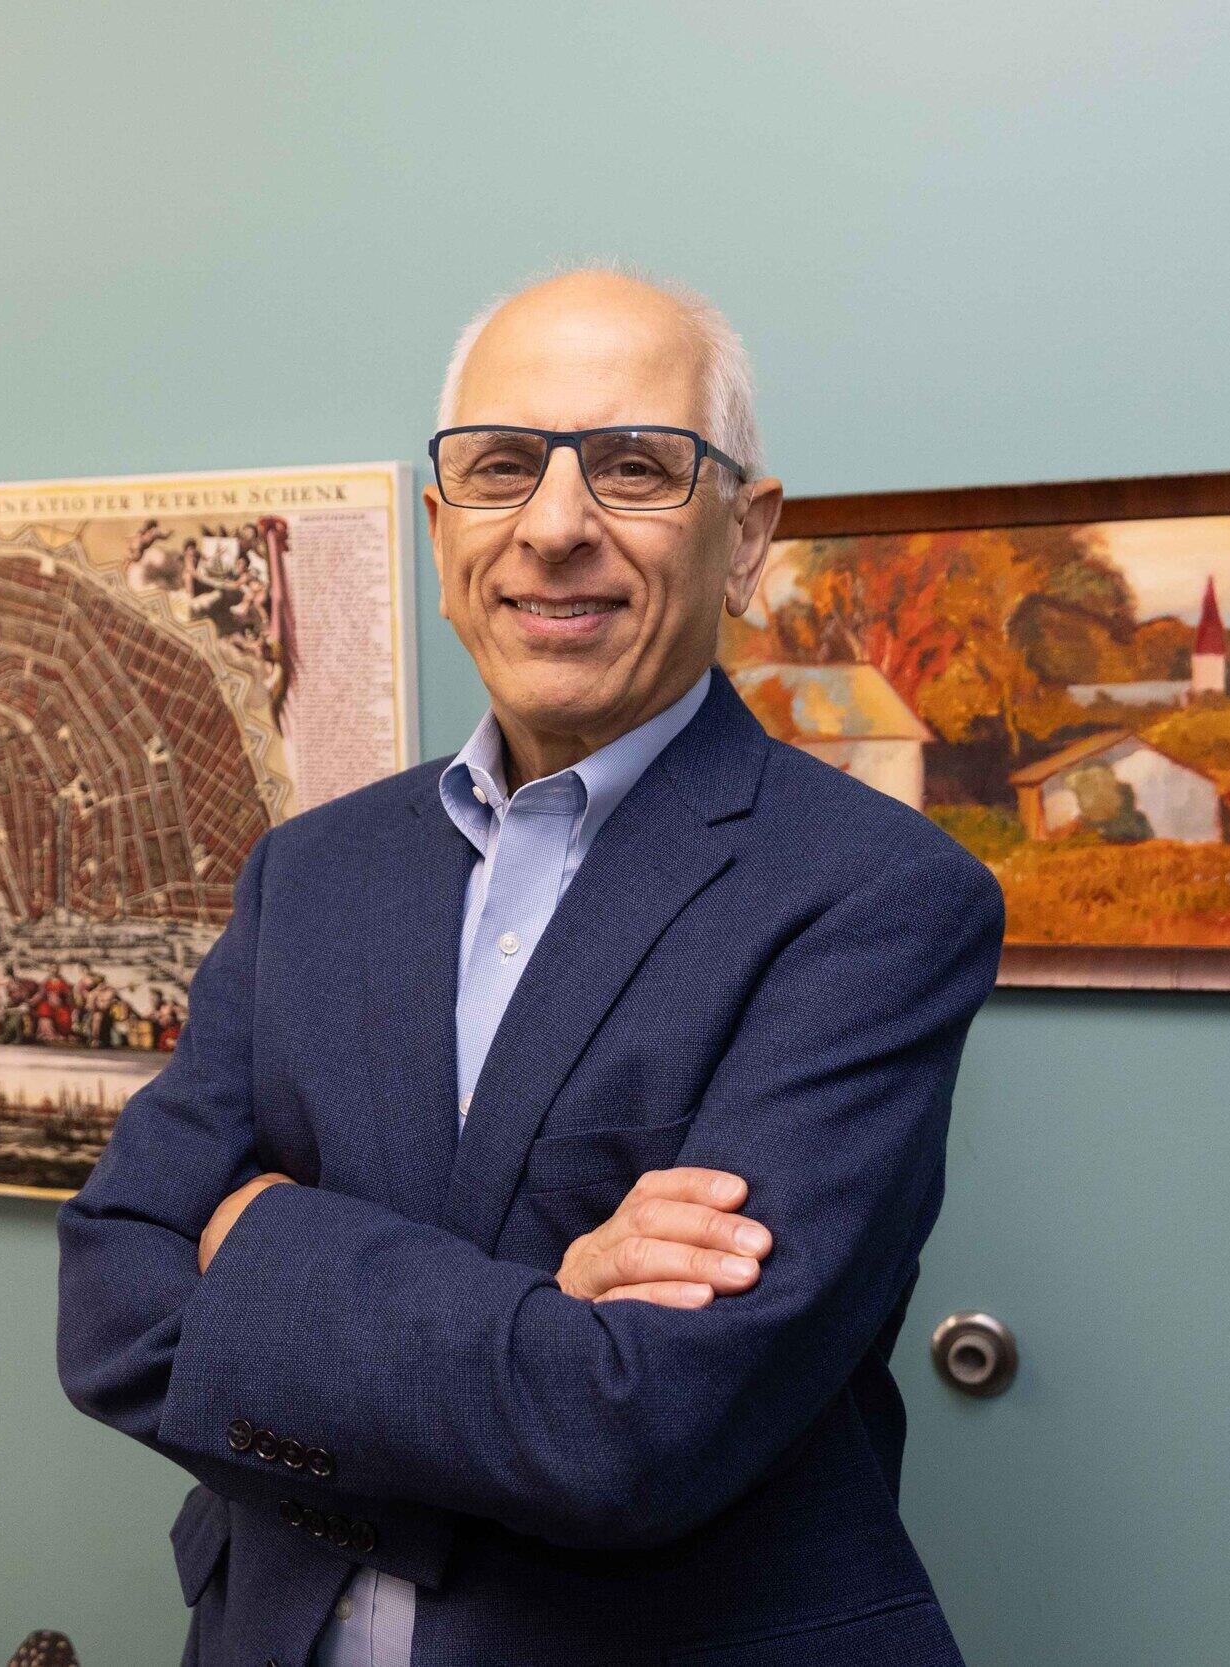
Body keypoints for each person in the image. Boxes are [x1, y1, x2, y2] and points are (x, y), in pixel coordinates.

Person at [56, 269, 1004, 1666]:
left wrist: (256, 1240)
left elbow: (634, 1426)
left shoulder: (878, 900)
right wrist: (548, 1310)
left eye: (635, 468)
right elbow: (112, 1302)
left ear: (747, 539)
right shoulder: (311, 872)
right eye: (501, 470)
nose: (555, 528)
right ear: (446, 537)